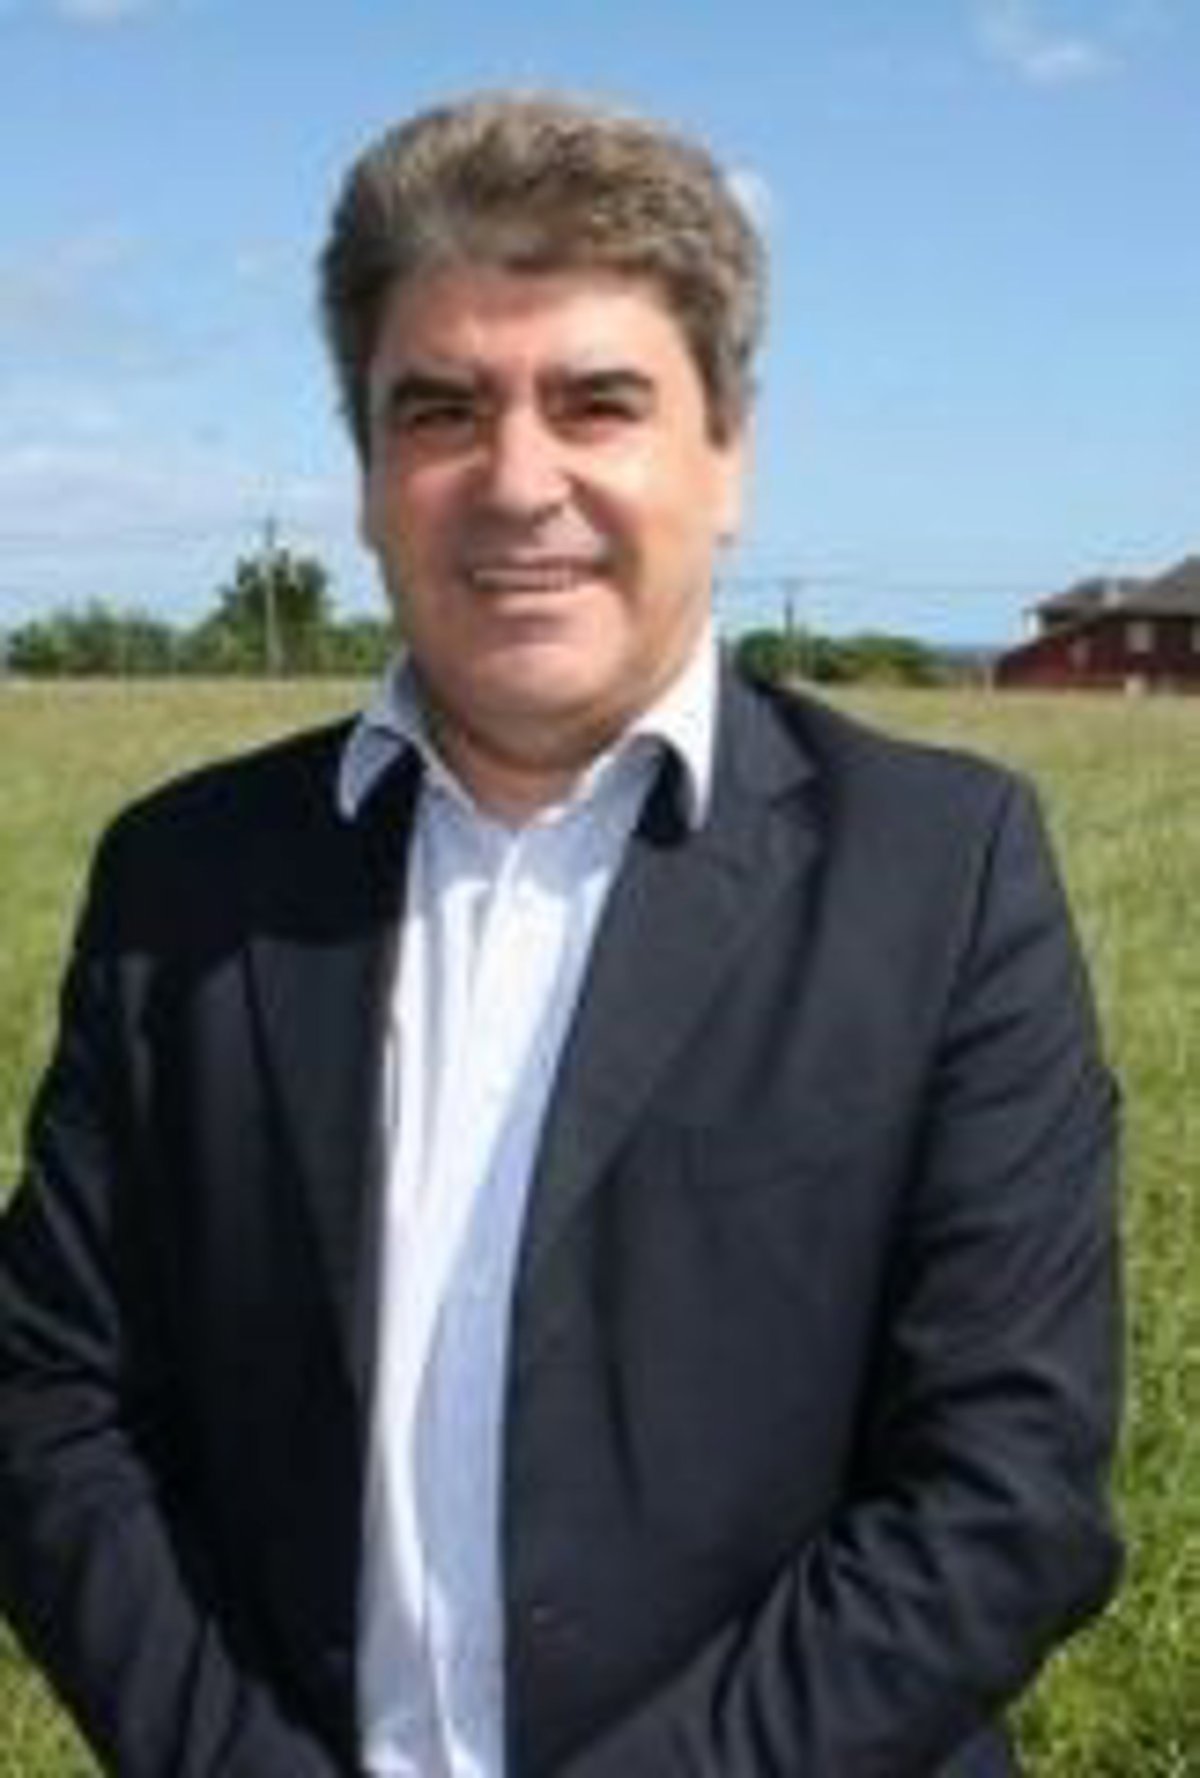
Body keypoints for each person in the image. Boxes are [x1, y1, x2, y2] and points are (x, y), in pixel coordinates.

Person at [0, 93, 1121, 1778]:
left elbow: (1005, 1492)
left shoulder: (941, 876)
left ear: (727, 454)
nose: (518, 482)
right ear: (368, 475)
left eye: (598, 401)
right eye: (440, 409)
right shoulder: (183, 883)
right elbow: (50, 1399)